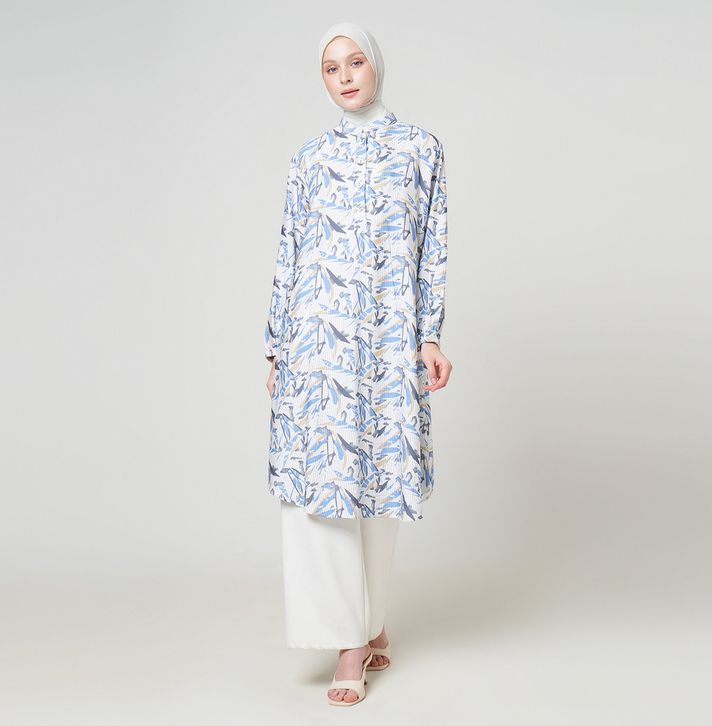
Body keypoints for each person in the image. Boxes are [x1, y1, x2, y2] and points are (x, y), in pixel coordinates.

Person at [263, 21, 452, 706]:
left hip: (388, 340)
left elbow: (433, 247)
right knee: (323, 488)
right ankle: (348, 640)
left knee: (380, 484)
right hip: (317, 346)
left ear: (375, 66)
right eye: (330, 67)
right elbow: (290, 250)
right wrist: (278, 346)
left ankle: (369, 623)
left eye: (355, 63)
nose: (344, 77)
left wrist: (429, 337)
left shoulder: (420, 149)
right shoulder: (309, 158)